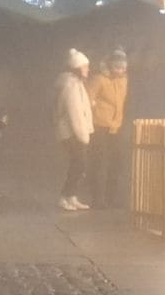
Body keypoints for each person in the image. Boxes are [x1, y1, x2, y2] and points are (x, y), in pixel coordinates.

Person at [87, 49, 130, 209]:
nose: (119, 70)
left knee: (116, 162)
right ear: (110, 66)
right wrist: (94, 108)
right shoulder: (99, 79)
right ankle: (97, 198)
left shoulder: (124, 80)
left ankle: (111, 197)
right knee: (99, 162)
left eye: (122, 67)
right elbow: (88, 97)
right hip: (100, 125)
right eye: (116, 67)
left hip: (116, 126)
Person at [55, 48, 94, 211]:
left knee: (78, 164)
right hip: (72, 133)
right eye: (85, 67)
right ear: (77, 68)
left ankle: (71, 196)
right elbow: (75, 112)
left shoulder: (75, 83)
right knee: (79, 164)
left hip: (73, 132)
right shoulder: (71, 85)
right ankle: (65, 196)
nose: (88, 70)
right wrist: (83, 135)